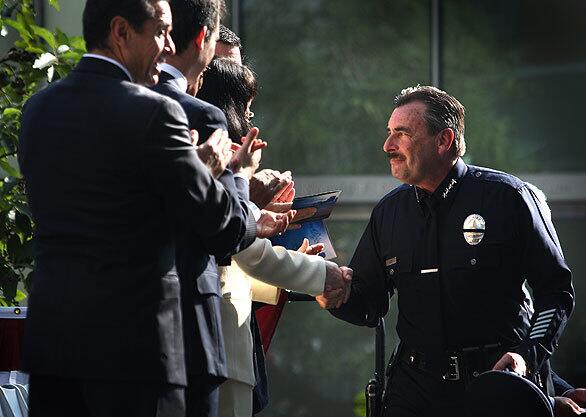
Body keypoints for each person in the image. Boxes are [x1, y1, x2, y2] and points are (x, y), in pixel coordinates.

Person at [17, 0, 259, 416]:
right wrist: (230, 172)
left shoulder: (39, 110)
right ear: (121, 32)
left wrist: (194, 169)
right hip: (136, 355)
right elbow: (225, 230)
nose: (168, 47)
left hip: (54, 347)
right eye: (161, 32)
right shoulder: (156, 112)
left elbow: (112, 202)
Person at [328, 85, 574, 417]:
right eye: (389, 134)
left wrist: (526, 357)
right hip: (414, 391)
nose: (388, 145)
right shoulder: (388, 213)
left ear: (443, 140)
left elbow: (556, 292)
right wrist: (335, 295)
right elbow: (369, 306)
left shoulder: (508, 198)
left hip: (497, 387)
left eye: (401, 134)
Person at [149, 2, 288, 417]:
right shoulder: (199, 118)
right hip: (193, 329)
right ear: (202, 42)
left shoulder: (50, 109)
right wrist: (241, 187)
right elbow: (222, 237)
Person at [198, 56, 351, 417]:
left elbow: (236, 260)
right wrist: (320, 274)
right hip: (218, 339)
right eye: (247, 108)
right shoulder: (217, 155)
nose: (250, 119)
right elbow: (242, 248)